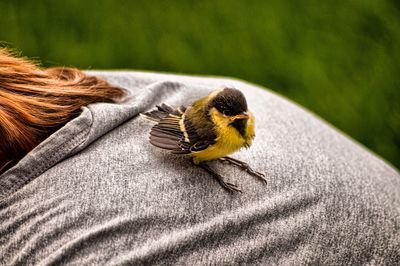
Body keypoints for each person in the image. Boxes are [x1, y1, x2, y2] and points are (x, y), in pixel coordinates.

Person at [0, 49, 399, 265]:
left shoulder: (39, 244)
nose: (242, 121)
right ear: (215, 113)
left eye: (243, 117)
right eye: (233, 117)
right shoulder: (192, 114)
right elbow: (176, 134)